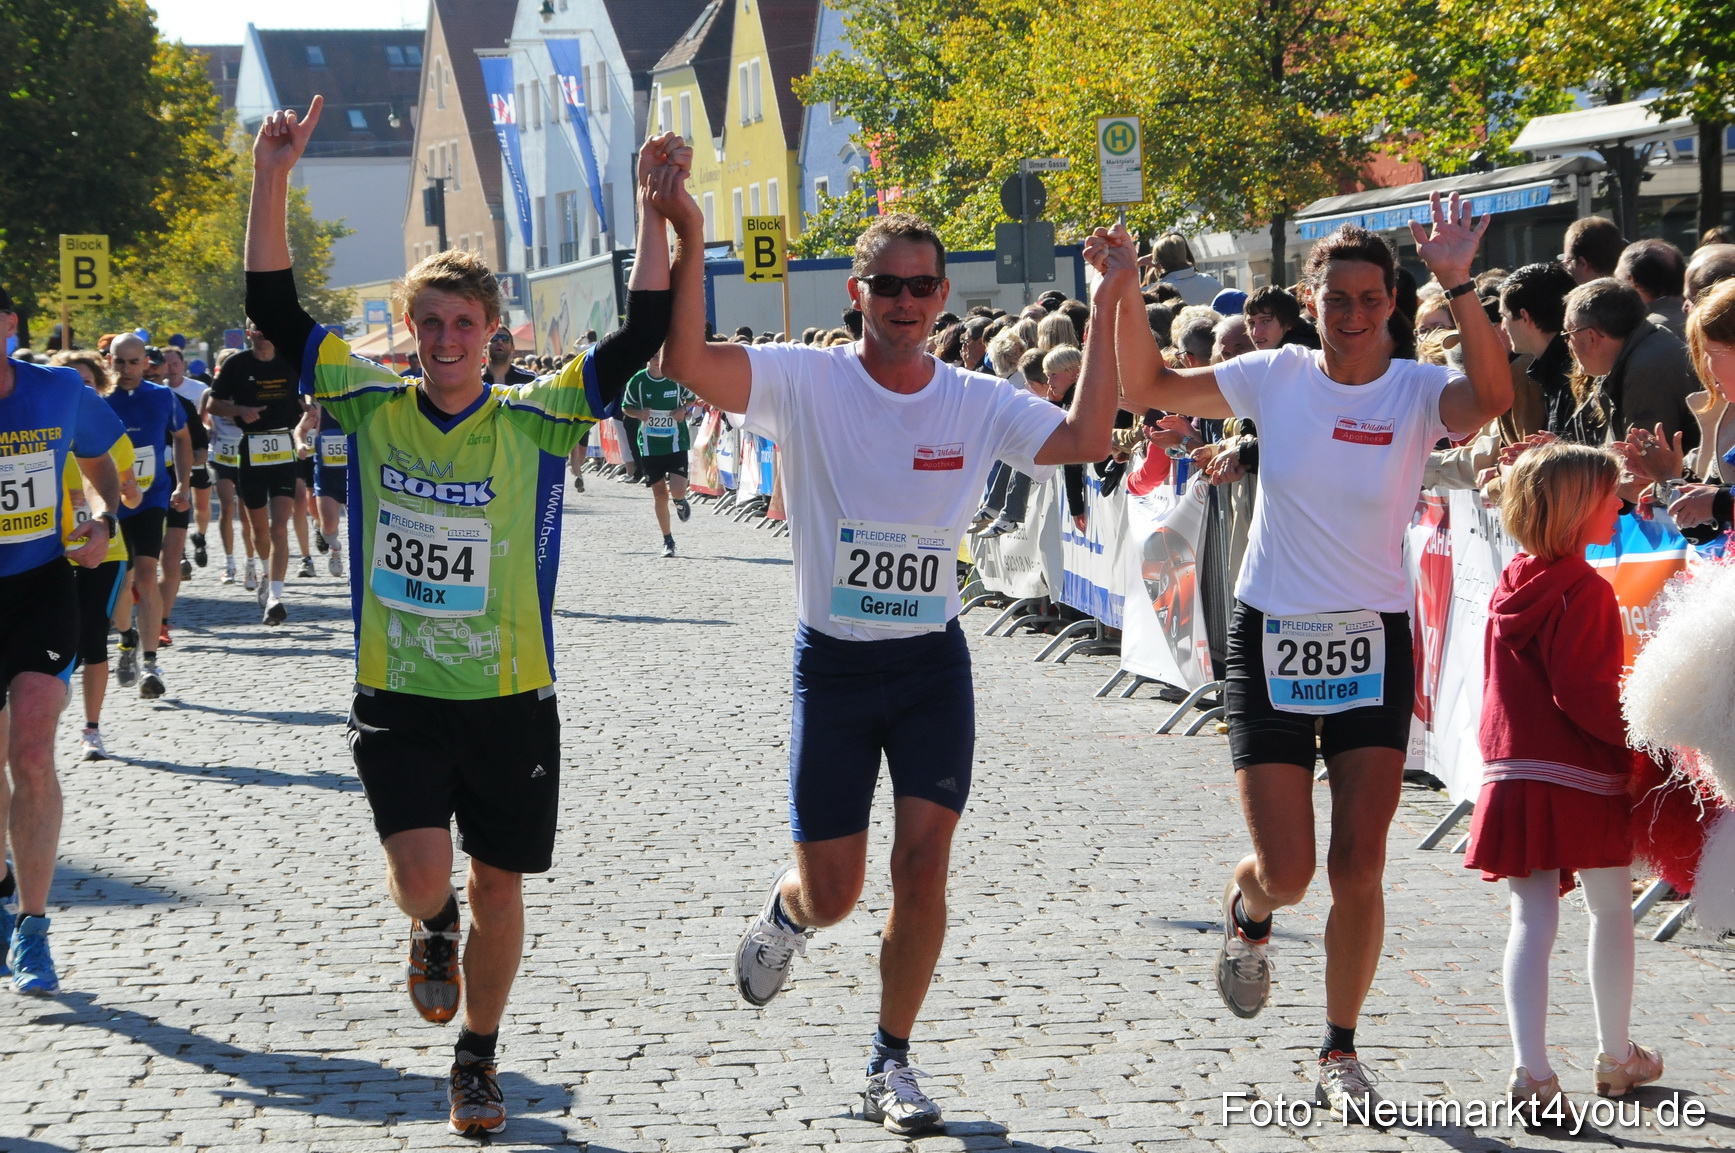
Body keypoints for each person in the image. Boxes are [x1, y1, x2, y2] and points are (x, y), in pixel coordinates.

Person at [655, 142, 1118, 1134]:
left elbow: (1085, 441)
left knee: (921, 870)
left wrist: (1112, 299)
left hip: (929, 669)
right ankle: (788, 916)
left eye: (921, 286)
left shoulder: (971, 397)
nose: (905, 301)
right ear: (858, 292)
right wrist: (687, 231)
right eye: (887, 286)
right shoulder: (806, 382)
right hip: (833, 668)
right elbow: (684, 363)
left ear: (942, 294)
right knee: (834, 889)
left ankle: (888, 1060)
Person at [243, 97, 674, 1138]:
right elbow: (274, 308)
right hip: (401, 690)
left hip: (511, 697)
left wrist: (655, 212)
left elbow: (645, 329)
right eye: (428, 324)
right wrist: (271, 178)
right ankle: (432, 925)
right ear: (410, 331)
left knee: (502, 880)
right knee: (427, 876)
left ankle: (476, 1057)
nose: (443, 340)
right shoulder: (369, 402)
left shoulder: (541, 416)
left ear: (496, 335)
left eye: (463, 325)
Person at [1105, 192, 1513, 1119]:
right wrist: (1124, 293)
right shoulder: (1275, 375)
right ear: (1312, 297)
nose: (1355, 314)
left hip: (1372, 638)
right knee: (1287, 871)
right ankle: (1249, 912)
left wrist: (1459, 282)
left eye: (1371, 299)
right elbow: (1150, 389)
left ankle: (1339, 1049)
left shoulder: (1414, 390)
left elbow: (1491, 400)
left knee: (1358, 867)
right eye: (1338, 299)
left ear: (1392, 303)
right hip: (1271, 634)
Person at [1463, 442, 1662, 1106]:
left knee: (1531, 919)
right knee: (1610, 910)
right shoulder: (1585, 588)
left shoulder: (1512, 580)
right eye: (1609, 495)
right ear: (1578, 508)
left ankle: (1533, 1070)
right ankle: (1613, 1054)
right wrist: (1643, 735)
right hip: (1580, 770)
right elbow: (1585, 693)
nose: (1620, 503)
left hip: (1514, 768)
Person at [0, 283, 126, 994]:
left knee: (32, 754)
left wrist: (102, 519)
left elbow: (104, 464)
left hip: (42, 586)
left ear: (10, 323)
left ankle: (34, 926)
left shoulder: (57, 390)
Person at [49, 351, 143, 761]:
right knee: (52, 639)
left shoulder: (112, 435)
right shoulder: (41, 431)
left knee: (91, 639)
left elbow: (123, 486)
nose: (79, 393)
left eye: (86, 385)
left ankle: (92, 730)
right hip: (49, 551)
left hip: (104, 551)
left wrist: (125, 494)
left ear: (98, 388)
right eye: (72, 386)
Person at [103, 334, 192, 699]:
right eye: (119, 362)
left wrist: (183, 485)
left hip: (151, 498)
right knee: (121, 582)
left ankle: (151, 661)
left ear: (146, 363)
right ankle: (127, 637)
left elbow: (183, 438)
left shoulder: (162, 397)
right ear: (107, 360)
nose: (126, 369)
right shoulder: (98, 400)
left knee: (146, 575)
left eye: (133, 362)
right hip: (110, 503)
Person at [209, 321, 307, 625]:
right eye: (257, 330)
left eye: (268, 329)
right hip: (251, 452)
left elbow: (303, 402)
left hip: (283, 451)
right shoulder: (237, 364)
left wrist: (309, 413)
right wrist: (239, 411)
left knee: (280, 527)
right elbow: (213, 404)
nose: (264, 335)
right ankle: (265, 572)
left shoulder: (292, 361)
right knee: (260, 531)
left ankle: (276, 596)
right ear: (248, 333)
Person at [1561, 278, 1697, 449]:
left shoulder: (1647, 370)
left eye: (1568, 333)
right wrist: (1564, 453)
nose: (1567, 342)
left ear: (1591, 336)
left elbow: (1642, 466)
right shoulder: (1646, 346)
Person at [620, 350, 694, 557]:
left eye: (659, 357)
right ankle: (668, 540)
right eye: (652, 357)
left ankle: (680, 501)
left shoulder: (676, 376)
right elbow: (626, 407)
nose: (655, 361)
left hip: (676, 443)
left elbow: (690, 399)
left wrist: (683, 410)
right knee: (660, 495)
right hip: (650, 446)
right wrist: (638, 414)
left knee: (678, 491)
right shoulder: (638, 381)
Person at [158, 346, 209, 645]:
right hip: (135, 494)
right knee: (140, 566)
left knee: (172, 559)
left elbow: (202, 452)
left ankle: (162, 621)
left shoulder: (180, 404)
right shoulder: (113, 404)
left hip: (176, 489)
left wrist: (181, 457)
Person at [1615, 239, 1687, 338]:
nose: (1615, 287)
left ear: (1631, 281)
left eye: (1617, 279)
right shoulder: (1701, 319)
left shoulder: (1647, 330)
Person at [1150, 233, 1225, 304]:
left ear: (1158, 261)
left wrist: (1139, 264)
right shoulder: (1211, 282)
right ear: (1185, 253)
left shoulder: (1152, 292)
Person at [1560, 216, 1626, 284]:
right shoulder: (1632, 292)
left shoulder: (1580, 293)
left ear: (1583, 264)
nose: (1566, 269)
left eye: (1567, 263)